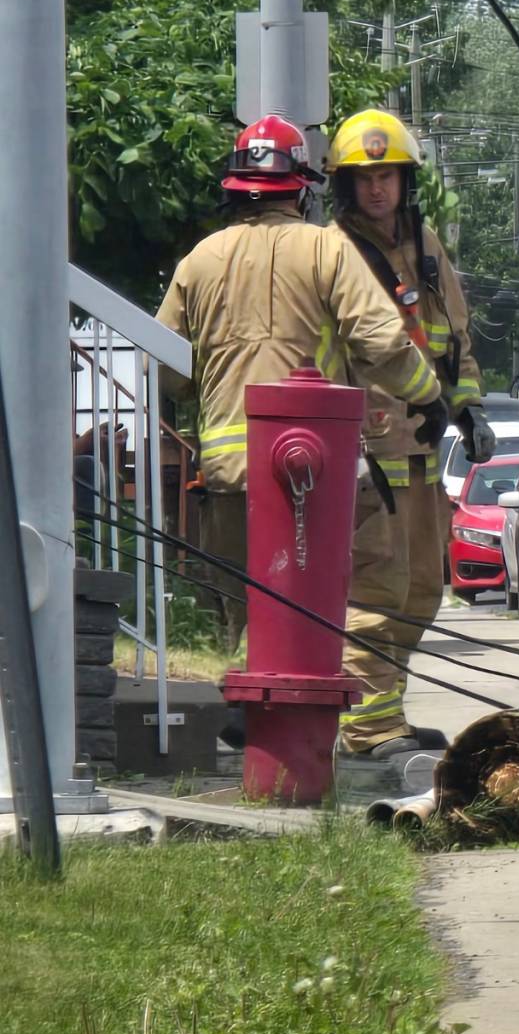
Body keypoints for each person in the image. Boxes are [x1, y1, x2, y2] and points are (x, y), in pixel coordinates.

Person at [155, 115, 444, 656]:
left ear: (237, 189)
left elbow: (166, 368)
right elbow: (383, 343)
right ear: (302, 191)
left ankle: (252, 715)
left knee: (248, 618)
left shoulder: (198, 261)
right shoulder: (325, 251)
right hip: (308, 472)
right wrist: (429, 395)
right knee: (312, 619)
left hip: (227, 477)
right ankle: (304, 727)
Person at [326, 109, 496, 757]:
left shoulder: (425, 244)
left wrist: (471, 409)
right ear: (346, 185)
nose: (377, 188)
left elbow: (454, 337)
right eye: (364, 176)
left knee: (424, 588)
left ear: (404, 180)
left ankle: (383, 717)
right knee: (377, 591)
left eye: (388, 174)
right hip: (370, 449)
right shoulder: (333, 249)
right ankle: (367, 731)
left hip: (424, 445)